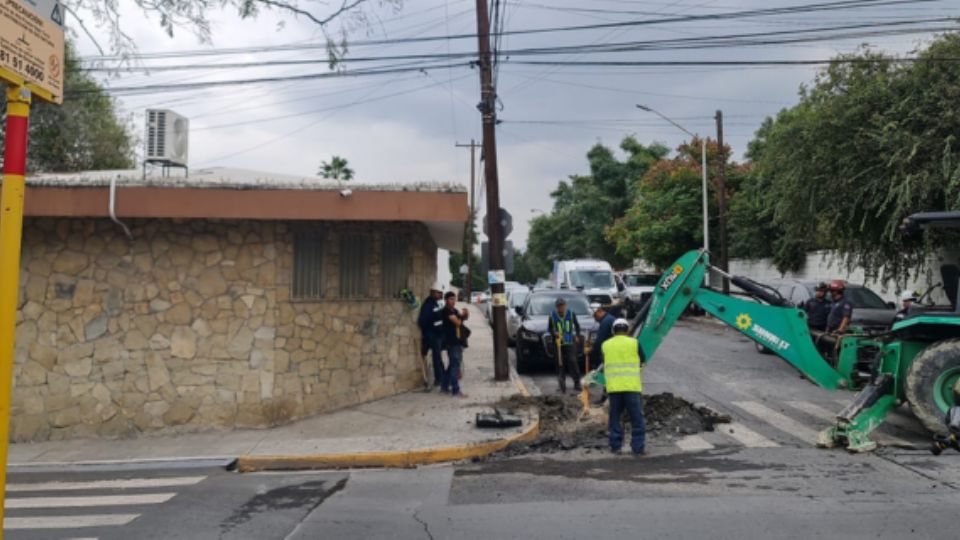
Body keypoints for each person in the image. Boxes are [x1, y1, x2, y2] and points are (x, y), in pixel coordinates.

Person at [602, 318, 646, 456]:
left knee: (615, 417)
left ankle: (616, 446)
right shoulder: (634, 343)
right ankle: (637, 448)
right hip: (631, 387)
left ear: (613, 330)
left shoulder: (606, 345)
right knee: (636, 418)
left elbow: (604, 361)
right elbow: (643, 359)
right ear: (627, 330)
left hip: (614, 388)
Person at [549, 297, 582, 394]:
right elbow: (550, 329)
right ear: (556, 307)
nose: (561, 308)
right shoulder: (552, 315)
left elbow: (577, 326)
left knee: (572, 360)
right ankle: (561, 383)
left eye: (562, 306)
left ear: (565, 306)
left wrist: (577, 335)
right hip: (558, 342)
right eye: (559, 306)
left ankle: (577, 383)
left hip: (569, 341)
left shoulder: (571, 314)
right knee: (560, 363)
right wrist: (554, 333)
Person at [441, 291, 470, 398]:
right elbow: (457, 322)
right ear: (446, 300)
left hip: (457, 341)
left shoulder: (453, 310)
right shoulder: (446, 311)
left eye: (454, 299)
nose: (453, 301)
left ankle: (444, 387)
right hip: (451, 342)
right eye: (451, 299)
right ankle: (456, 391)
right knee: (455, 366)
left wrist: (466, 314)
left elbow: (463, 317)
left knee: (452, 365)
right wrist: (461, 317)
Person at [418, 282, 446, 388]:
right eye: (439, 293)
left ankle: (442, 376)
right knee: (436, 357)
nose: (440, 295)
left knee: (438, 357)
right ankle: (439, 378)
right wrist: (433, 328)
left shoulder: (435, 303)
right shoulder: (428, 304)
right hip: (432, 336)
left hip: (437, 335)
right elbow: (423, 322)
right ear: (433, 292)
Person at [590, 303, 616, 369]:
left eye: (594, 316)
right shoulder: (609, 318)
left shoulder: (605, 322)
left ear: (599, 312)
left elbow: (599, 341)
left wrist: (592, 350)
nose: (594, 318)